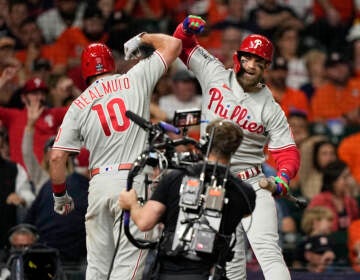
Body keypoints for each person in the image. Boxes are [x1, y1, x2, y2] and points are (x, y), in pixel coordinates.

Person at [170, 15, 300, 280]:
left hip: (251, 183)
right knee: (228, 258)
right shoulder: (214, 72)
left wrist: (283, 177)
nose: (251, 65)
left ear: (266, 67)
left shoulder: (270, 108)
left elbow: (287, 151)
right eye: (247, 58)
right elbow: (181, 45)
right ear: (238, 57)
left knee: (267, 251)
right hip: (214, 183)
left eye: (259, 62)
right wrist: (186, 28)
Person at [49, 34, 181, 280]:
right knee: (128, 264)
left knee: (96, 268)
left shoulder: (78, 105)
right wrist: (143, 38)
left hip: (98, 185)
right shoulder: (135, 77)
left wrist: (60, 196)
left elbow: (57, 157)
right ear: (111, 63)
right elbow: (174, 45)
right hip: (132, 181)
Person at [119, 119, 256, 280]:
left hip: (168, 274)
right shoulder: (245, 192)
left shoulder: (175, 178)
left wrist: (132, 204)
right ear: (235, 148)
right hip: (210, 273)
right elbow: (245, 213)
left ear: (205, 142)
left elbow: (144, 222)